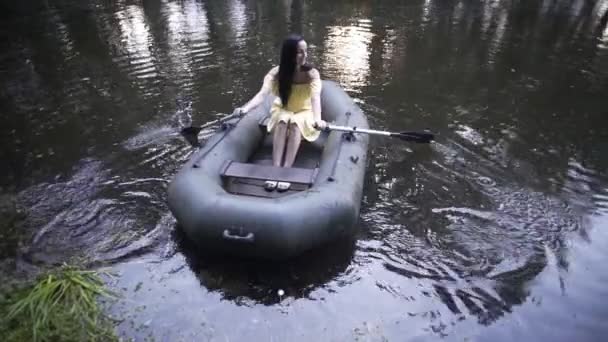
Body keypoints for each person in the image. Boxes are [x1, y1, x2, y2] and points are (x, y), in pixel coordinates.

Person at [236, 34, 327, 170]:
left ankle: (286, 168)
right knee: (283, 121)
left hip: (304, 111)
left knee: (296, 123)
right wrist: (245, 109)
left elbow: (315, 97)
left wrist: (318, 119)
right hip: (283, 108)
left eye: (305, 51)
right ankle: (276, 166)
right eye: (300, 52)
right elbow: (262, 95)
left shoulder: (311, 73)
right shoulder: (276, 73)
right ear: (289, 54)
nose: (305, 55)